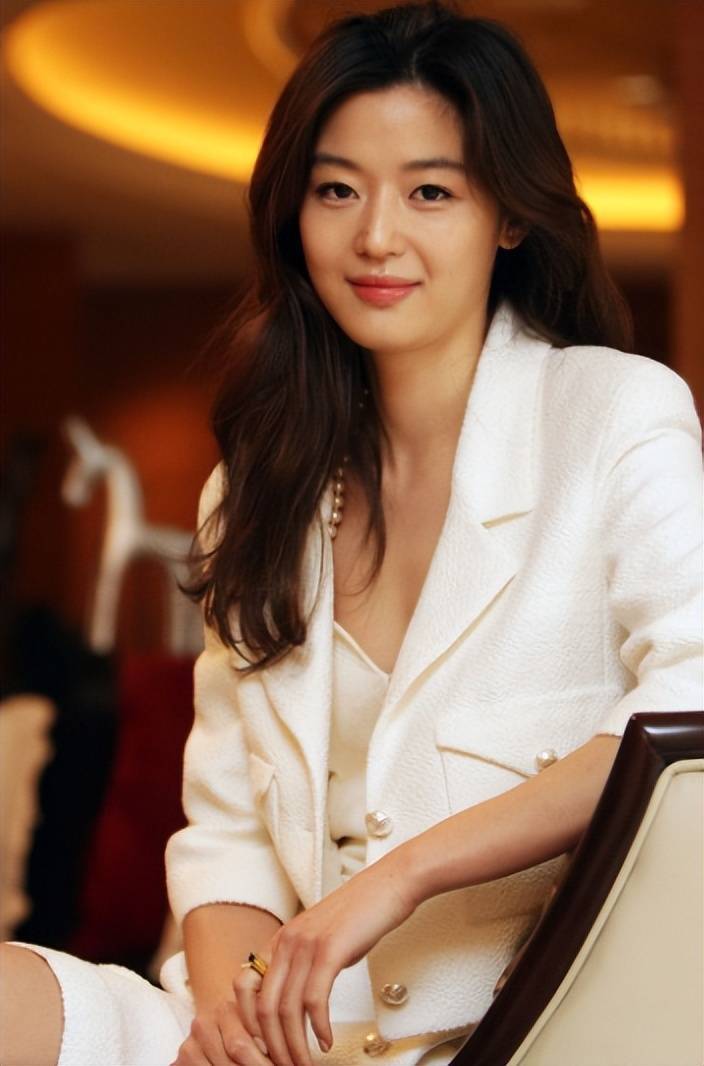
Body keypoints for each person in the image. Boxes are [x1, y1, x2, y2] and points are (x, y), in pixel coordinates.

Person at [1, 1, 702, 1064]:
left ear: (508, 215)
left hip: (504, 1034)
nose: (375, 235)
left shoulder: (610, 415)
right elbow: (225, 831)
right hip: (277, 1032)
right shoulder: (256, 488)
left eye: (430, 191)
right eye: (336, 190)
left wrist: (400, 876)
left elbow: (687, 698)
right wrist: (238, 1021)